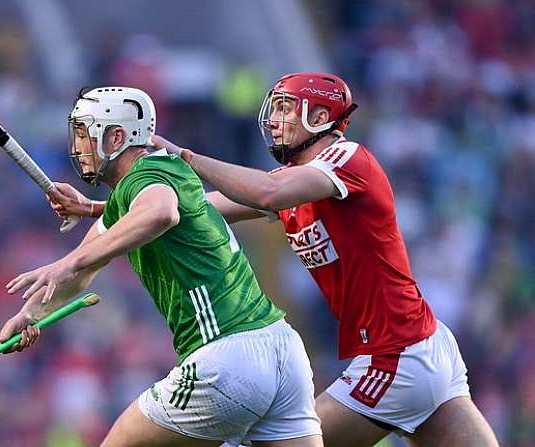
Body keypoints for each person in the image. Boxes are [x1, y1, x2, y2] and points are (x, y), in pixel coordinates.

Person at [50, 73, 499, 447]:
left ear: (320, 118)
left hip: (393, 356)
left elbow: (267, 192)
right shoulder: (296, 181)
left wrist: (184, 157)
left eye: (287, 109)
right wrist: (91, 208)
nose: (276, 120)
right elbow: (198, 209)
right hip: (422, 346)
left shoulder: (344, 158)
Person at [0, 86, 323, 447]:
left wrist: (66, 261)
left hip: (226, 356)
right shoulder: (165, 175)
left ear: (116, 137)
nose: (77, 146)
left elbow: (159, 213)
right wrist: (30, 314)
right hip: (283, 350)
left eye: (84, 132)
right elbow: (85, 268)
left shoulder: (144, 177)